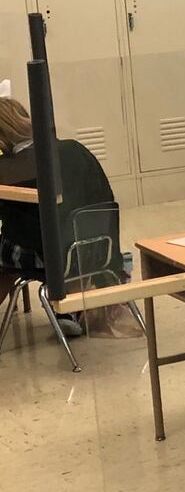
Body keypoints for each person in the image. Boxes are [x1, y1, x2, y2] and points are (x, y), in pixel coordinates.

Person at [0, 96, 120, 339]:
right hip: (95, 250)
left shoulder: (8, 168)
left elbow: (10, 221)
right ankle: (66, 309)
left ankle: (63, 306)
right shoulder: (74, 149)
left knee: (4, 251)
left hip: (52, 259)